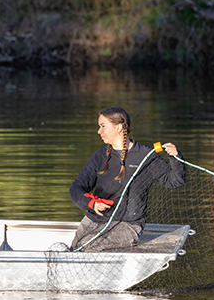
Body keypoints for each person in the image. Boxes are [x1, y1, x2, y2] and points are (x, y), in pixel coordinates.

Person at [68, 107, 185, 252]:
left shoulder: (146, 157)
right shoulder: (99, 156)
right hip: (94, 220)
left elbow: (175, 181)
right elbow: (76, 188)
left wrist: (176, 158)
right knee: (73, 249)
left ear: (118, 127)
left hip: (128, 226)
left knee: (87, 245)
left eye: (103, 126)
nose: (99, 131)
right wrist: (91, 203)